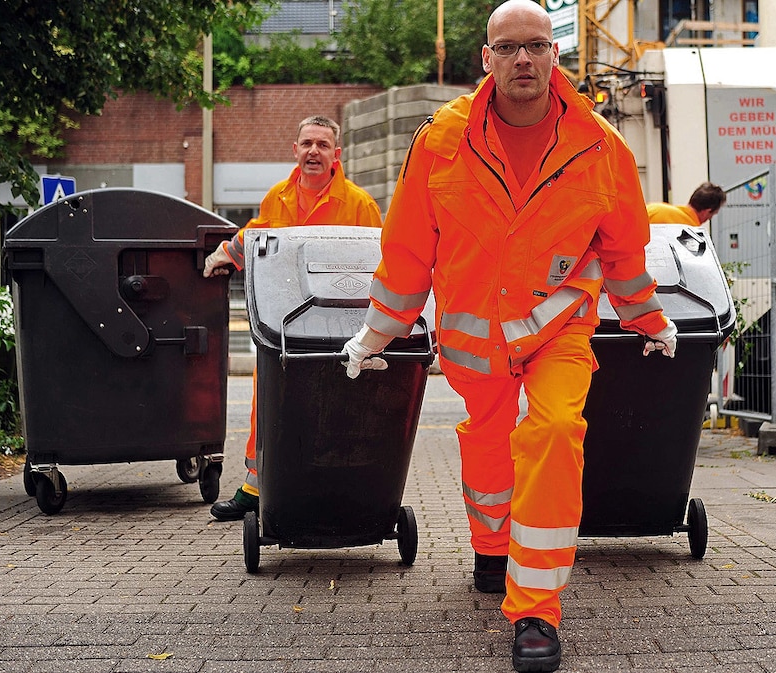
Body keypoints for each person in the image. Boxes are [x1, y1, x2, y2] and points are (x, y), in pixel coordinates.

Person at [340, 2, 677, 671]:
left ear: (556, 57)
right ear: (486, 60)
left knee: (553, 432)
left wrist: (649, 320)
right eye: (508, 47)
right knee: (490, 445)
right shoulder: (440, 141)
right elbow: (408, 252)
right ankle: (493, 548)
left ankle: (536, 612)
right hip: (476, 336)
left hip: (560, 328)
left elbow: (624, 256)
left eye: (536, 45)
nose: (523, 59)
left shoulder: (600, 146)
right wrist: (376, 333)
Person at [204, 115, 383, 521]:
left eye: (322, 145)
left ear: (337, 155)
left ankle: (333, 488)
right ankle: (255, 487)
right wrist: (226, 256)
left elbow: (380, 265)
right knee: (266, 400)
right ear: (295, 150)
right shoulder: (278, 197)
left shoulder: (359, 205)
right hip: (283, 324)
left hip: (337, 329)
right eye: (307, 144)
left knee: (334, 407)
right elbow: (258, 235)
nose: (313, 152)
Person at [646, 181, 726, 226]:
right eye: (712, 215)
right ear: (707, 211)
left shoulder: (654, 208)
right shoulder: (691, 231)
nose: (709, 219)